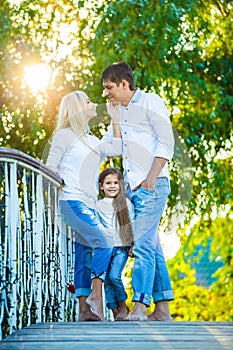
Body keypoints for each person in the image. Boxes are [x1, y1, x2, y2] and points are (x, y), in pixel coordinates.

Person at [101, 62, 175, 321]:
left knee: (143, 246)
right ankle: (163, 309)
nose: (106, 93)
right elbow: (112, 148)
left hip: (152, 185)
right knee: (152, 248)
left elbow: (167, 142)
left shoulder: (151, 102)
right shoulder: (121, 111)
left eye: (109, 87)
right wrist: (115, 120)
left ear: (124, 84)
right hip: (133, 189)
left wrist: (152, 178)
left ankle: (140, 306)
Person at [46, 91, 121, 321]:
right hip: (71, 201)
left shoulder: (91, 140)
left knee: (84, 253)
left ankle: (83, 311)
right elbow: (49, 167)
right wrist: (57, 176)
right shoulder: (64, 136)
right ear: (78, 108)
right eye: (87, 101)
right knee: (106, 240)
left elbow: (116, 149)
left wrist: (115, 118)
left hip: (89, 205)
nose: (92, 104)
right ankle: (96, 295)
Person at [66, 167, 135, 321]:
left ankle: (123, 305)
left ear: (121, 185)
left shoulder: (126, 204)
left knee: (114, 276)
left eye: (116, 183)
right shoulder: (98, 205)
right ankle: (115, 311)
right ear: (101, 186)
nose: (112, 186)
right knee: (107, 280)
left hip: (121, 248)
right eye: (108, 183)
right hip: (105, 249)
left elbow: (133, 224)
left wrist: (133, 245)